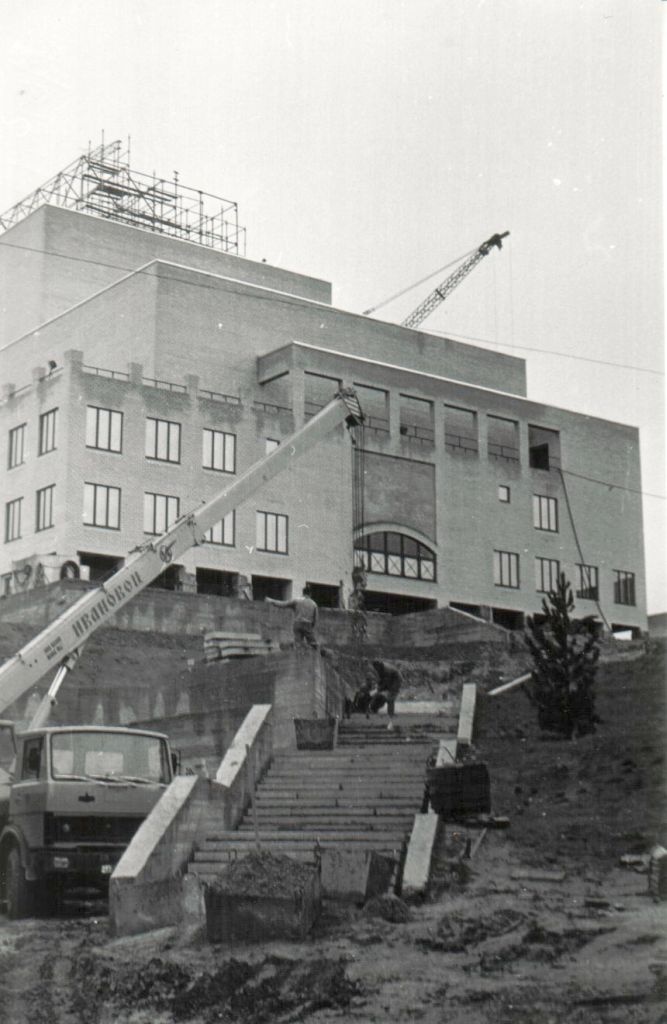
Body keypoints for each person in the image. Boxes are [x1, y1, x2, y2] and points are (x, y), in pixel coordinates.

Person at [369, 659, 403, 730]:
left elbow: (386, 683)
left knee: (390, 698)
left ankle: (391, 715)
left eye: (376, 667)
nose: (375, 669)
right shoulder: (380, 669)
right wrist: (378, 686)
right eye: (375, 667)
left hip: (396, 680)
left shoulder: (387, 670)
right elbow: (381, 679)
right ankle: (376, 709)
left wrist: (378, 689)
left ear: (379, 665)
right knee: (381, 695)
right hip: (391, 679)